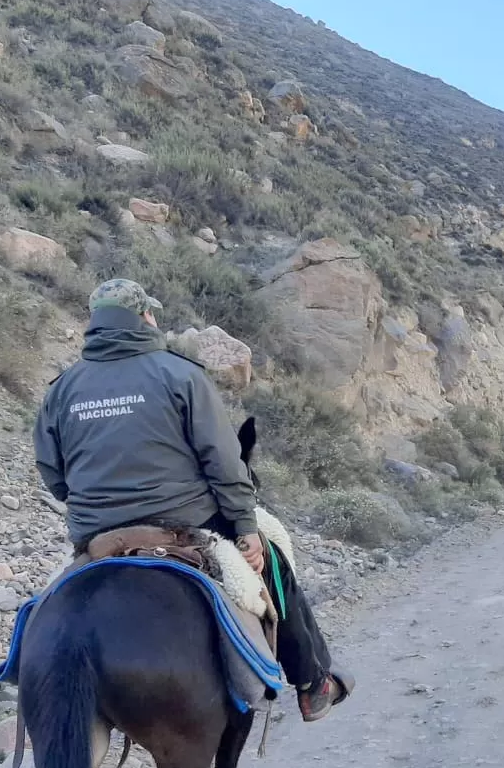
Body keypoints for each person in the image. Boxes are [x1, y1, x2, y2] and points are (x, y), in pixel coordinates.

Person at [32, 279, 352, 723]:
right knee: (272, 558)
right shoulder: (180, 374)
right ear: (144, 317)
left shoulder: (62, 388)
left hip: (98, 534)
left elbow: (52, 472)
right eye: (151, 313)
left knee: (45, 607)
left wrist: (95, 505)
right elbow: (224, 461)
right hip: (185, 521)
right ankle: (312, 682)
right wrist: (244, 528)